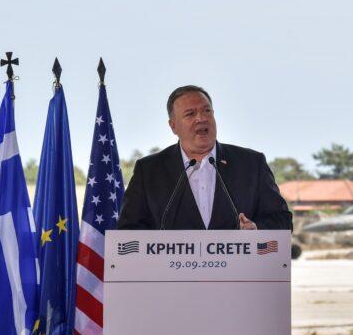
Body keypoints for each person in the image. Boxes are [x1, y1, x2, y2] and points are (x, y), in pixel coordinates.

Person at [117, 85, 292, 231]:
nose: (201, 118)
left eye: (207, 111)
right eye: (190, 114)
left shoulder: (251, 164)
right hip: (173, 271)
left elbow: (282, 220)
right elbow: (129, 228)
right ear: (173, 126)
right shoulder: (149, 171)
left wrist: (257, 229)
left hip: (237, 271)